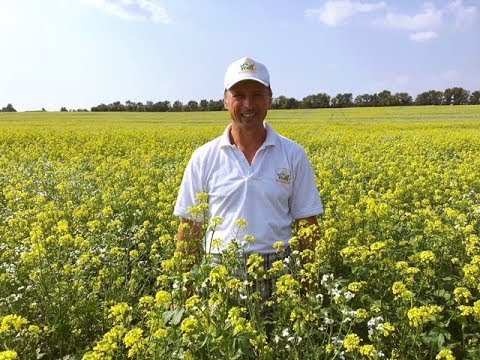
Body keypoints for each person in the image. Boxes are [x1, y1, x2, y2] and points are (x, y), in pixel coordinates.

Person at [173, 57, 323, 274]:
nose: (248, 105)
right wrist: (183, 288)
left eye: (257, 95)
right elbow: (189, 226)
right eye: (239, 96)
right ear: (225, 100)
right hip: (220, 269)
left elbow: (307, 222)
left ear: (270, 99)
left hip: (279, 267)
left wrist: (309, 285)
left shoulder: (293, 154)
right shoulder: (203, 157)